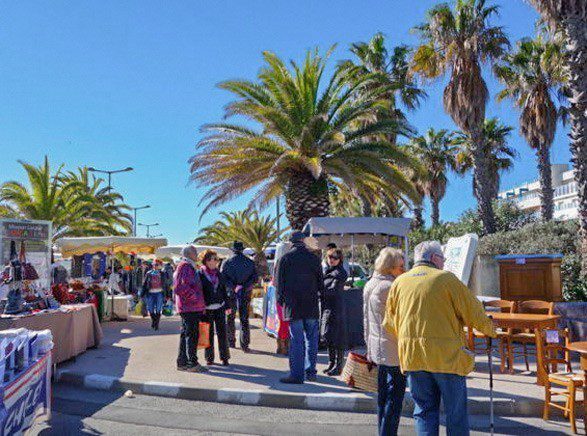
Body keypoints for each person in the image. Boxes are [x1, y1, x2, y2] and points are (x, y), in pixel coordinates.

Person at [383, 241, 495, 436]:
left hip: (413, 357)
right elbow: (473, 313)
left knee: (424, 411)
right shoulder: (446, 279)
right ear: (434, 258)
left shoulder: (399, 282)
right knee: (455, 413)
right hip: (447, 359)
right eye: (443, 258)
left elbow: (389, 323)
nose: (444, 262)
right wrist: (491, 330)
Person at [364, 247, 406, 436]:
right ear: (390, 268)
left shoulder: (370, 284)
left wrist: (368, 347)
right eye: (400, 267)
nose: (403, 270)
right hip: (393, 349)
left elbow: (365, 319)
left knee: (382, 397)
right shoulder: (390, 287)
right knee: (394, 398)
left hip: (376, 347)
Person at [275, 231, 323, 384]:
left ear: (291, 242)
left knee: (296, 340)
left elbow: (279, 285)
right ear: (303, 241)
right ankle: (311, 372)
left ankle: (296, 375)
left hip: (292, 306)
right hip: (311, 305)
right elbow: (321, 284)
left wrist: (281, 303)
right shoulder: (314, 259)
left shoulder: (285, 259)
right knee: (312, 339)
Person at [174, 245, 207, 373]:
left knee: (186, 335)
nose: (197, 254)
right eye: (195, 252)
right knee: (192, 335)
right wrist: (195, 297)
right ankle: (192, 363)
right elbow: (180, 288)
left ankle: (182, 362)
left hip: (188, 307)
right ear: (190, 254)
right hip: (189, 308)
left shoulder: (188, 266)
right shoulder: (185, 266)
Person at [221, 241, 258, 352]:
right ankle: (245, 344)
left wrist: (233, 286)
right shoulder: (250, 262)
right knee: (244, 319)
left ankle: (231, 341)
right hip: (245, 293)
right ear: (242, 249)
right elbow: (255, 279)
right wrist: (243, 286)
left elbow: (222, 278)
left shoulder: (226, 262)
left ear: (232, 250)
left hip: (230, 293)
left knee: (230, 318)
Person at [198, 250, 230, 366]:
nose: (215, 262)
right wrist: (201, 306)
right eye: (213, 259)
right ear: (206, 261)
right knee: (207, 334)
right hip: (206, 308)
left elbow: (224, 290)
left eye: (216, 259)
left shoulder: (219, 274)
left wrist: (227, 305)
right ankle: (209, 358)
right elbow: (199, 292)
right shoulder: (200, 274)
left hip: (220, 306)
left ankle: (225, 357)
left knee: (222, 333)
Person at [320, 247, 348, 376]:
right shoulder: (329, 271)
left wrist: (319, 291)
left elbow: (333, 290)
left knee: (337, 338)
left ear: (340, 259)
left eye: (335, 258)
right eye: (330, 257)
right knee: (329, 337)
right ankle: (331, 363)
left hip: (335, 308)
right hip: (328, 307)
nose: (331, 260)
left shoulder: (339, 273)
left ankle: (339, 365)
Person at [142, 260, 165, 330]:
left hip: (159, 293)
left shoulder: (162, 273)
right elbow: (144, 283)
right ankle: (154, 321)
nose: (155, 266)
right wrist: (142, 294)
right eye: (154, 264)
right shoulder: (148, 273)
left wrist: (168, 295)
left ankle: (156, 324)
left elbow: (166, 284)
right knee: (150, 309)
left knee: (158, 309)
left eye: (157, 265)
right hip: (150, 293)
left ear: (159, 266)